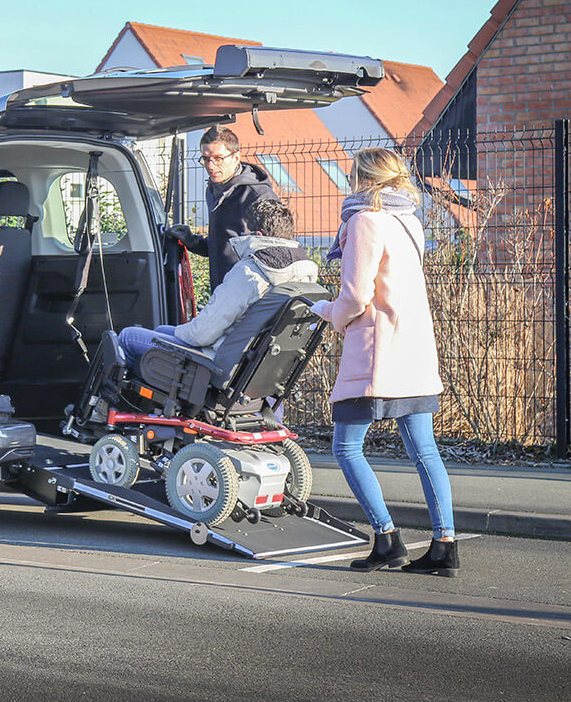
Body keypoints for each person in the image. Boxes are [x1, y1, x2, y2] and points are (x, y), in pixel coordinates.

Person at [311, 147, 459, 577]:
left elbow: (356, 296)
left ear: (363, 178)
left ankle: (387, 538)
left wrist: (327, 312)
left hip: (377, 353)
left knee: (345, 446)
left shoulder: (363, 221)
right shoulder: (408, 219)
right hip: (415, 350)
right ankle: (444, 546)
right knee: (425, 451)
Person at [119, 198, 317, 366]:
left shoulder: (251, 272)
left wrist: (183, 331)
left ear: (258, 236)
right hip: (252, 365)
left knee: (128, 337)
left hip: (215, 362)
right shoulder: (304, 274)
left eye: (243, 231)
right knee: (162, 331)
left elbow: (200, 335)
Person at [167, 125, 278, 293]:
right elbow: (222, 245)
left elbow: (278, 251)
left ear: (236, 158)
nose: (210, 166)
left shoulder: (259, 195)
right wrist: (192, 241)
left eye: (218, 158)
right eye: (205, 159)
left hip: (253, 294)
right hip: (222, 292)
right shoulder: (213, 190)